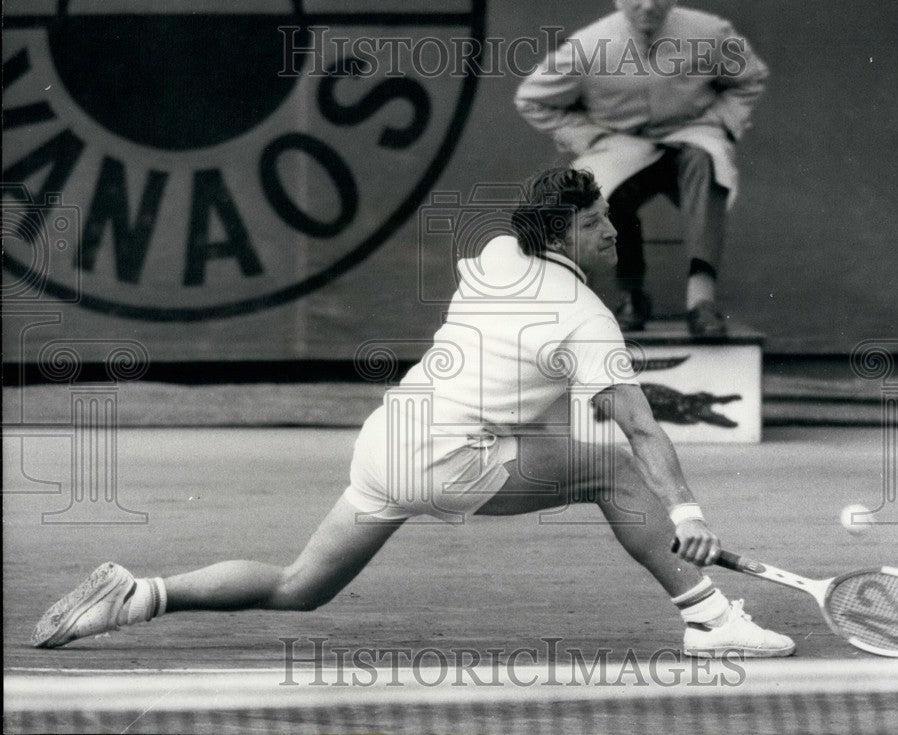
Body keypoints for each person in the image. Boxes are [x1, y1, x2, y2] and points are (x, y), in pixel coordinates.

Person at [32, 168, 793, 659]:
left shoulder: (499, 252)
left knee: (302, 584)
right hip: (445, 459)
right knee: (614, 470)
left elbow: (521, 381)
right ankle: (709, 618)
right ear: (564, 234)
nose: (613, 230)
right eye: (598, 221)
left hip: (388, 439)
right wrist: (685, 511)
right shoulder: (586, 319)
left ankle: (139, 595)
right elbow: (637, 423)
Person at [515, 0, 769, 334]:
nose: (648, 7)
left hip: (691, 136)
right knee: (603, 192)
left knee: (706, 164)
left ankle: (701, 301)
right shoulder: (589, 45)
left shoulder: (710, 33)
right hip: (622, 144)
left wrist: (719, 122)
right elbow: (531, 98)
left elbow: (750, 78)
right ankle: (631, 294)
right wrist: (588, 137)